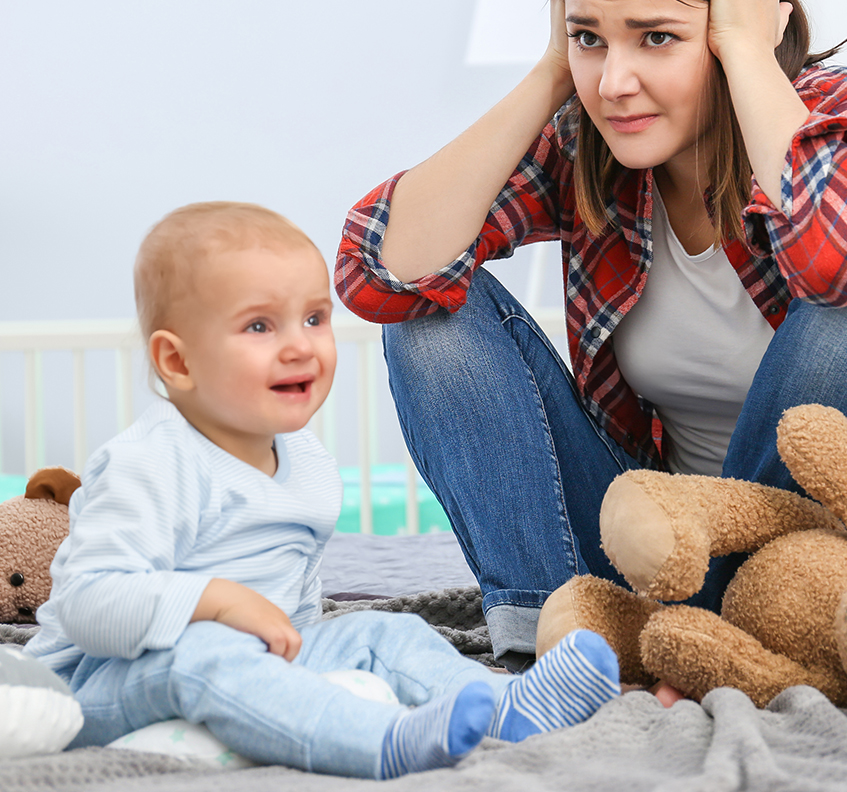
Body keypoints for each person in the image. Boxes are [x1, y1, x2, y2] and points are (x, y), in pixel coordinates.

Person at [336, 0, 847, 671]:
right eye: (590, 39)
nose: (616, 81)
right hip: (663, 558)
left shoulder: (846, 108)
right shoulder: (592, 144)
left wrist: (750, 56)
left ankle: (751, 641)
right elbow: (381, 272)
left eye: (658, 37)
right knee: (429, 317)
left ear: (731, 27)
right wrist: (550, 74)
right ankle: (556, 642)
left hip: (842, 572)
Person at [25, 202, 620, 779]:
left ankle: (503, 706)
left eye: (314, 319)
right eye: (259, 325)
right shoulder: (148, 464)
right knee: (205, 655)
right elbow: (87, 604)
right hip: (102, 681)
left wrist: (305, 651)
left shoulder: (305, 461)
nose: (299, 344)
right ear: (177, 363)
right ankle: (383, 742)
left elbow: (294, 590)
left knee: (386, 633)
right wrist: (217, 601)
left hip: (257, 657)